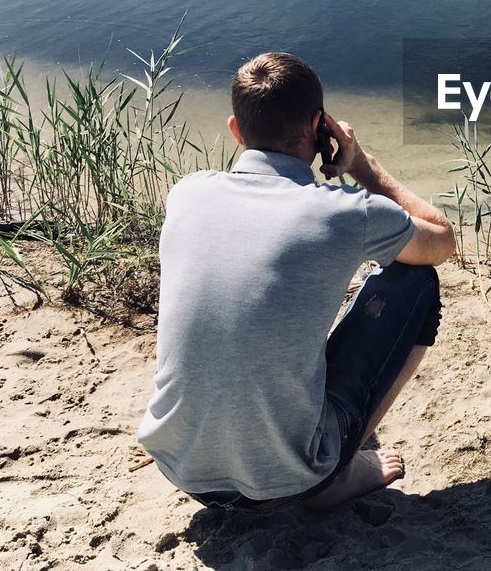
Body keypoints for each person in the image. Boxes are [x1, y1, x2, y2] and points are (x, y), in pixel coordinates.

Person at [137, 52, 455, 511]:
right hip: (292, 482)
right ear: (319, 127)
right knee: (416, 278)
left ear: (235, 130)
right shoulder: (345, 212)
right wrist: (362, 167)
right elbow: (441, 241)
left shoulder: (187, 193)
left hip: (184, 471)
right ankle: (338, 473)